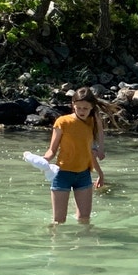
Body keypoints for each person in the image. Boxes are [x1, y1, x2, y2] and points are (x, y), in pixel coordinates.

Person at [41, 88, 107, 223]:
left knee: (84, 219)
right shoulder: (62, 122)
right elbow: (52, 150)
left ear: (92, 108)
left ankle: (83, 243)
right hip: (62, 174)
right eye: (79, 108)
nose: (82, 111)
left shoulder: (92, 122)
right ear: (73, 105)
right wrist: (44, 159)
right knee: (59, 221)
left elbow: (92, 148)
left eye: (86, 108)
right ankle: (54, 242)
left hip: (83, 175)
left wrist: (100, 172)